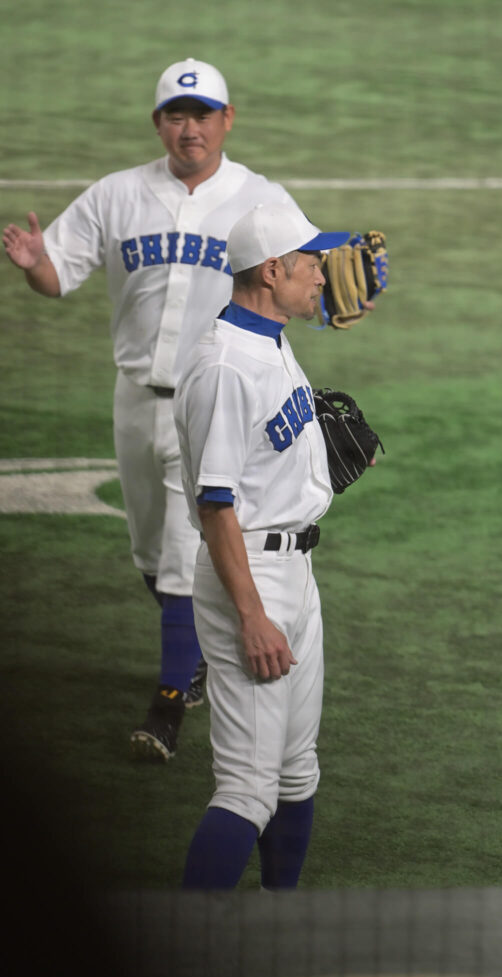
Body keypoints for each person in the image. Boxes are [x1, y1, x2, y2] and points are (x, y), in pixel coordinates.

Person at [1, 58, 302, 762]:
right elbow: (59, 273)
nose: (189, 128)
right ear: (158, 122)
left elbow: (307, 277)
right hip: (135, 399)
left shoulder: (260, 199)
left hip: (214, 403)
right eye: (176, 114)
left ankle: (166, 706)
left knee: (178, 555)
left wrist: (350, 293)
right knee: (150, 555)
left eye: (202, 114)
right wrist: (33, 265)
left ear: (228, 120)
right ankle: (194, 652)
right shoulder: (116, 195)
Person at [174, 202, 350, 890]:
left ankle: (280, 933)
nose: (324, 274)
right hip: (250, 576)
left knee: (297, 771)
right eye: (311, 263)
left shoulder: (270, 335)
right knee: (247, 788)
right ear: (272, 271)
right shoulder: (223, 366)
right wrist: (252, 617)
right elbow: (215, 504)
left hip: (296, 572)